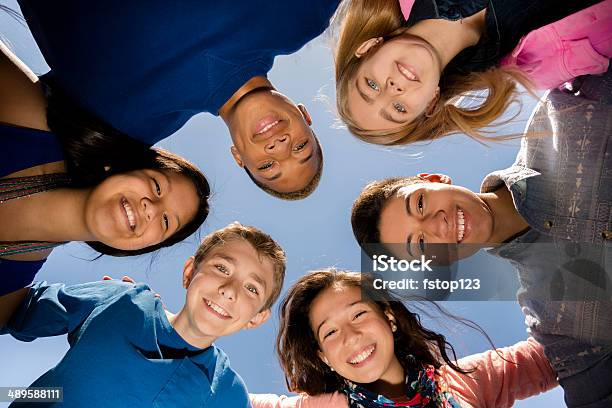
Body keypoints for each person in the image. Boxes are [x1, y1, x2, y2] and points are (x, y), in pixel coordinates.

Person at [350, 69, 612, 406]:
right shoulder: (554, 320)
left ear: (434, 178)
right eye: (420, 244)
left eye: (419, 203)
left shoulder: (564, 112)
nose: (438, 225)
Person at [10, 0, 337, 199]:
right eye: (300, 148)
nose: (279, 148)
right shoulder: (303, 14)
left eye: (268, 166)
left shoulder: (126, 123)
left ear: (239, 156)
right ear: (305, 115)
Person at [0, 42, 211, 296]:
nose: (151, 208)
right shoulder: (26, 121)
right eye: (156, 187)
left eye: (166, 222)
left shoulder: (8, 294)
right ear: (121, 166)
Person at [0, 222, 286, 407]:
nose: (230, 290)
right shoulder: (122, 301)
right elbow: (19, 308)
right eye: (222, 268)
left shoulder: (229, 396)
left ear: (257, 318)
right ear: (190, 272)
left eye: (252, 289)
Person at [250, 269, 557, 408]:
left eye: (358, 315)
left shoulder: (465, 380)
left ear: (390, 318)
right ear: (323, 357)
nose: (351, 336)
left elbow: (560, 353)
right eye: (330, 332)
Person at [334, 0, 605, 145]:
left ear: (368, 47)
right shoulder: (542, 66)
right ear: (430, 103)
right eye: (399, 108)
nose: (393, 89)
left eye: (370, 85)